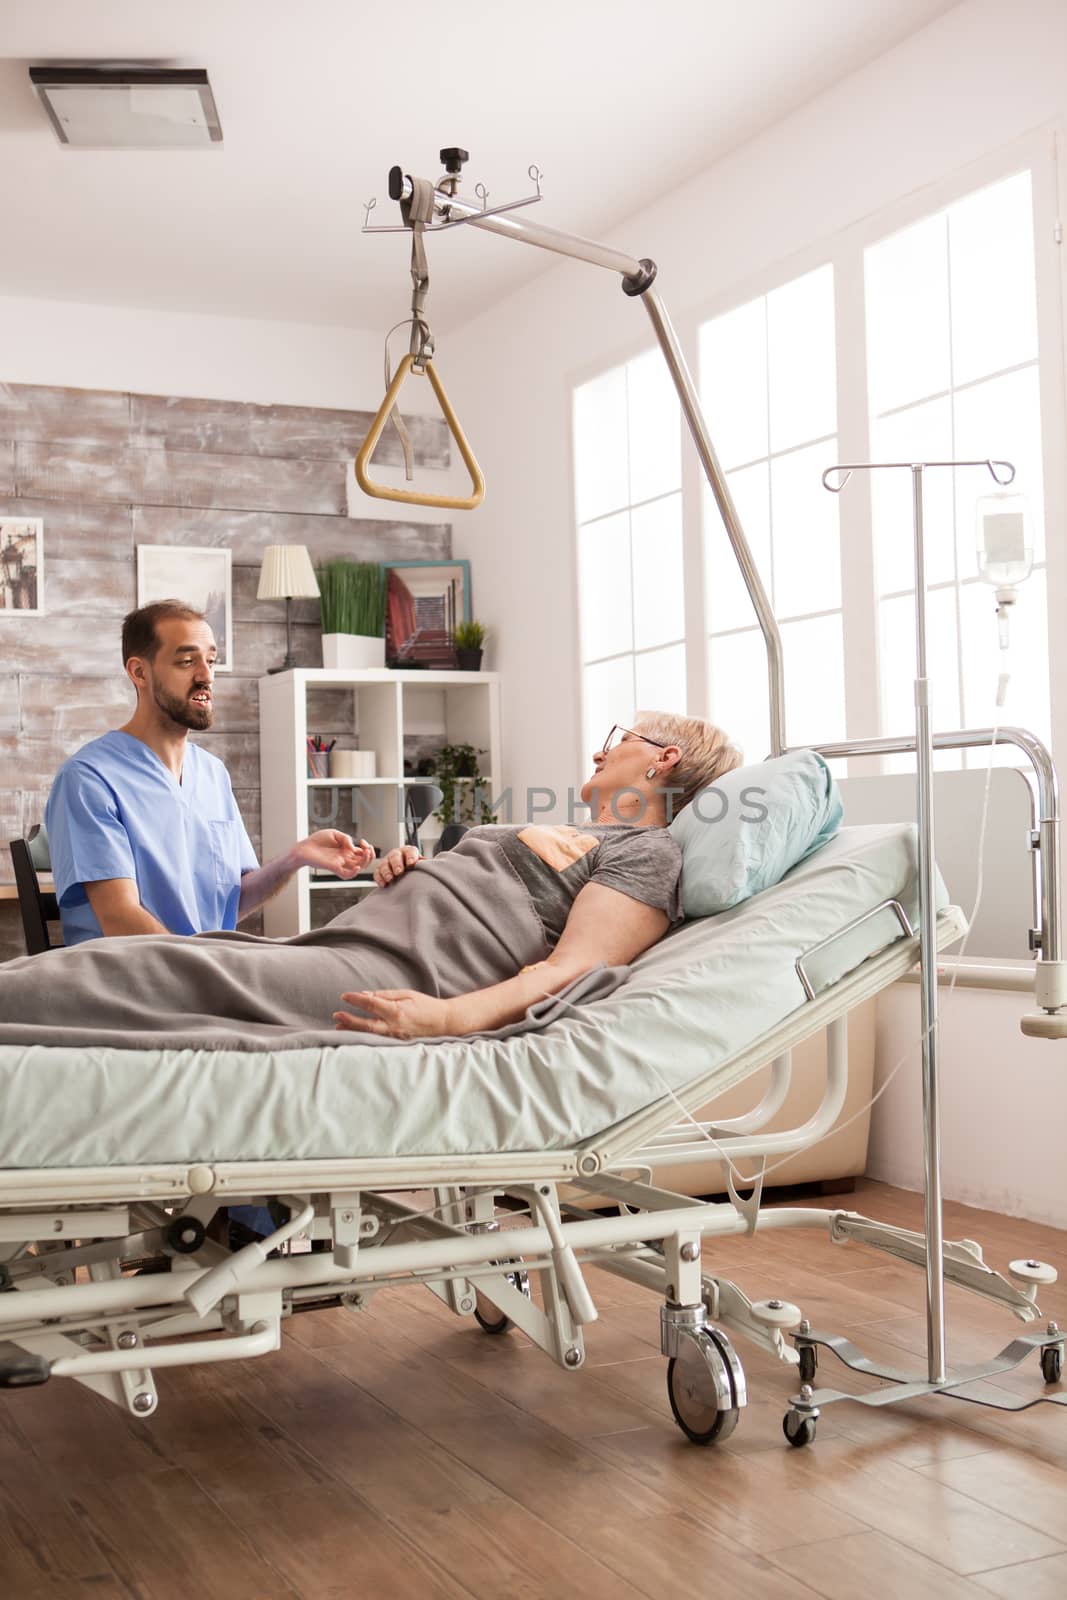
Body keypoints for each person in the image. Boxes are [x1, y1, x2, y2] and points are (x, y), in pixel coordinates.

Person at [0, 712, 741, 1046]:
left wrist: (446, 1018)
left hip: (390, 971)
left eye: (621, 739)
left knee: (154, 972)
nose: (599, 750)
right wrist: (409, 871)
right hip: (345, 939)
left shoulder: (650, 854)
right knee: (161, 964)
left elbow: (575, 966)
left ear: (663, 760)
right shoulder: (585, 832)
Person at [44, 600, 372, 945]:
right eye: (187, 662)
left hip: (204, 973)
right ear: (139, 672)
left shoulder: (213, 774)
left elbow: (230, 903)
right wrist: (208, 972)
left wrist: (296, 857)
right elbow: (119, 918)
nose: (206, 675)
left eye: (211, 661)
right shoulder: (88, 779)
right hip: (129, 982)